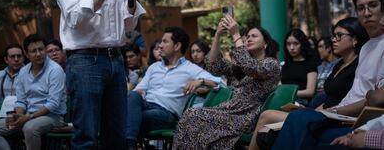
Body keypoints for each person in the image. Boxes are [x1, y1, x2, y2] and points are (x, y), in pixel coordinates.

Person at [55, 0, 145, 149]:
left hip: (116, 60)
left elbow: (128, 27)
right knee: (86, 136)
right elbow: (74, 18)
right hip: (86, 61)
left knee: (115, 136)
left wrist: (132, 2)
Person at [270, 0, 384, 149]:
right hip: (341, 112)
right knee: (291, 121)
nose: (367, 13)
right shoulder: (366, 47)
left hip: (356, 118)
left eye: (372, 5)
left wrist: (334, 112)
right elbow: (357, 93)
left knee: (298, 120)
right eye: (361, 8)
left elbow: (375, 100)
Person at [248, 17, 369, 150]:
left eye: (339, 36)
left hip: (335, 116)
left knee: (267, 116)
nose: (334, 40)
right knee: (266, 125)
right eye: (334, 35)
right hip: (322, 112)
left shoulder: (359, 65)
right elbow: (329, 97)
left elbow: (352, 99)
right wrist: (311, 110)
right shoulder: (339, 64)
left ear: (355, 39)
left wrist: (324, 111)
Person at [172, 16, 280, 149]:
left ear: (265, 43)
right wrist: (217, 34)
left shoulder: (271, 64)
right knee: (190, 116)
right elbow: (213, 65)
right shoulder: (239, 67)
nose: (248, 38)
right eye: (247, 36)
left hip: (246, 115)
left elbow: (251, 67)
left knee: (193, 115)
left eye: (254, 36)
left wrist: (236, 34)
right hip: (229, 111)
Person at [125, 27, 224, 149]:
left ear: (177, 46)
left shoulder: (189, 68)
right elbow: (139, 90)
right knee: (132, 97)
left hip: (166, 114)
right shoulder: (154, 67)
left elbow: (220, 82)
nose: (160, 46)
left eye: (165, 42)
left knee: (126, 118)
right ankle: (129, 145)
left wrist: (201, 81)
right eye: (161, 41)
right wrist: (138, 94)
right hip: (145, 105)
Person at [0, 34, 66, 150]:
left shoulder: (55, 70)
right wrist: (19, 116)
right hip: (28, 115)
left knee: (29, 127)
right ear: (27, 55)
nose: (38, 54)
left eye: (41, 49)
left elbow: (53, 104)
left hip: (52, 117)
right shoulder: (23, 71)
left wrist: (29, 117)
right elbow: (21, 101)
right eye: (33, 51)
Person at [0, 43, 25, 123]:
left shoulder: (29, 74)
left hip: (20, 114)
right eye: (12, 56)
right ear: (6, 59)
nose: (16, 59)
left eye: (19, 56)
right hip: (0, 113)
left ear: (23, 58)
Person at [281, 29, 318, 105]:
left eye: (295, 43)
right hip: (284, 100)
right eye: (288, 44)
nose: (291, 47)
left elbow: (310, 92)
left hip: (301, 102)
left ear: (302, 44)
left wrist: (289, 93)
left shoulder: (310, 64)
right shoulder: (286, 64)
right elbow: (280, 86)